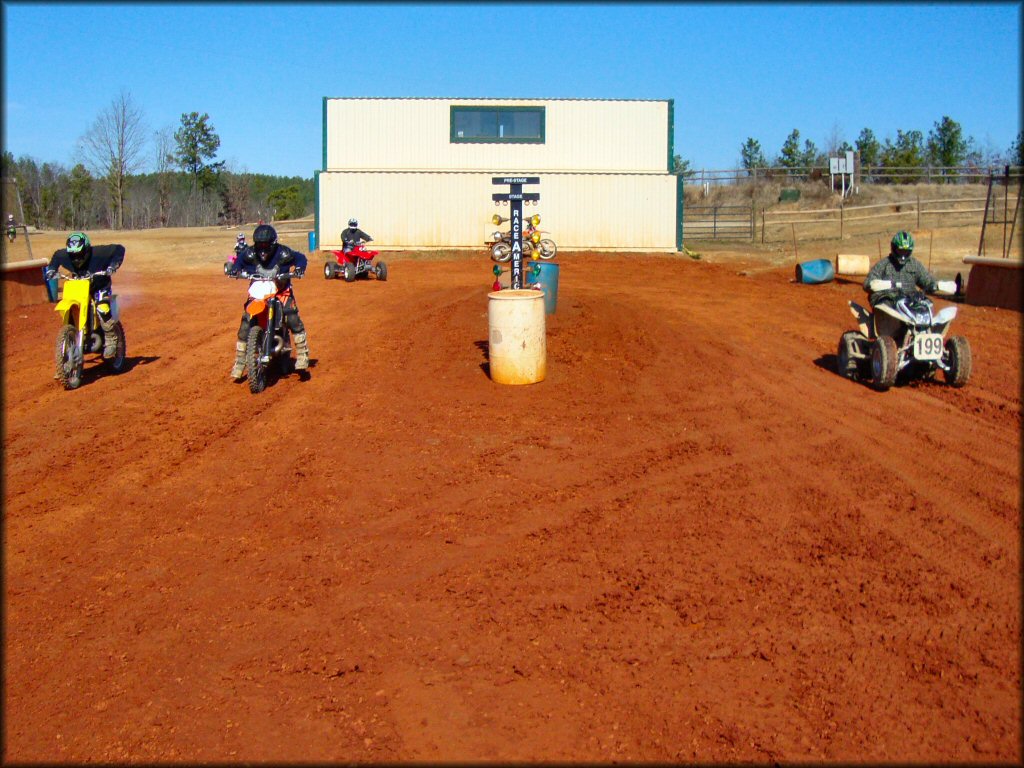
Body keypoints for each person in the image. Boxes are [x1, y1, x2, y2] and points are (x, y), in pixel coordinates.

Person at [227, 223, 310, 379]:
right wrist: (235, 269)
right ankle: (239, 361)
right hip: (259, 292)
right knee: (247, 320)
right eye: (259, 245)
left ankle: (302, 355)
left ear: (273, 243)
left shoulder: (284, 252)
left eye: (266, 245)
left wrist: (299, 268)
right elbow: (238, 262)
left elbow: (300, 258)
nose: (263, 249)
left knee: (291, 316)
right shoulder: (249, 253)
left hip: (281, 290)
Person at [45, 232, 125, 358]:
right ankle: (66, 355)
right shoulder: (64, 255)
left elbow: (119, 249)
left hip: (99, 286)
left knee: (102, 308)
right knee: (70, 308)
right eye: (73, 255)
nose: (76, 258)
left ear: (86, 250)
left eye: (79, 254)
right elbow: (56, 257)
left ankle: (111, 339)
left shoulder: (99, 253)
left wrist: (113, 265)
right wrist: (51, 269)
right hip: (80, 286)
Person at [864, 230, 956, 335]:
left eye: (906, 251)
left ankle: (926, 333)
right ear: (894, 248)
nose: (903, 255)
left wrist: (936, 285)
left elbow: (927, 280)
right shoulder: (884, 264)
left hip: (908, 301)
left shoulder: (914, 264)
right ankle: (892, 336)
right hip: (888, 301)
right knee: (886, 306)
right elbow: (867, 283)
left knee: (927, 304)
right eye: (900, 251)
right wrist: (882, 285)